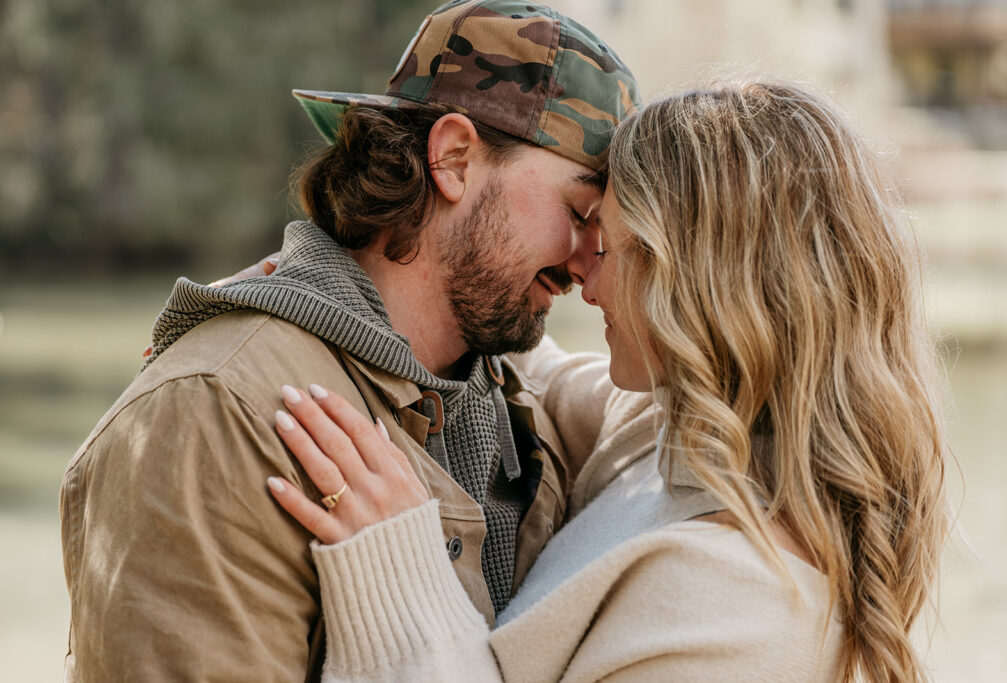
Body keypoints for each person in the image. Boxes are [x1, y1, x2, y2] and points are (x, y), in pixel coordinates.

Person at [267, 81, 952, 681]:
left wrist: (397, 566)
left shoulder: (735, 605)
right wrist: (323, 287)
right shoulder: (676, 436)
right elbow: (518, 362)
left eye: (611, 248)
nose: (585, 283)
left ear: (701, 284)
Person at [59, 1, 642, 680]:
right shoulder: (218, 415)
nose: (590, 263)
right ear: (453, 158)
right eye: (579, 213)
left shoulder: (504, 401)